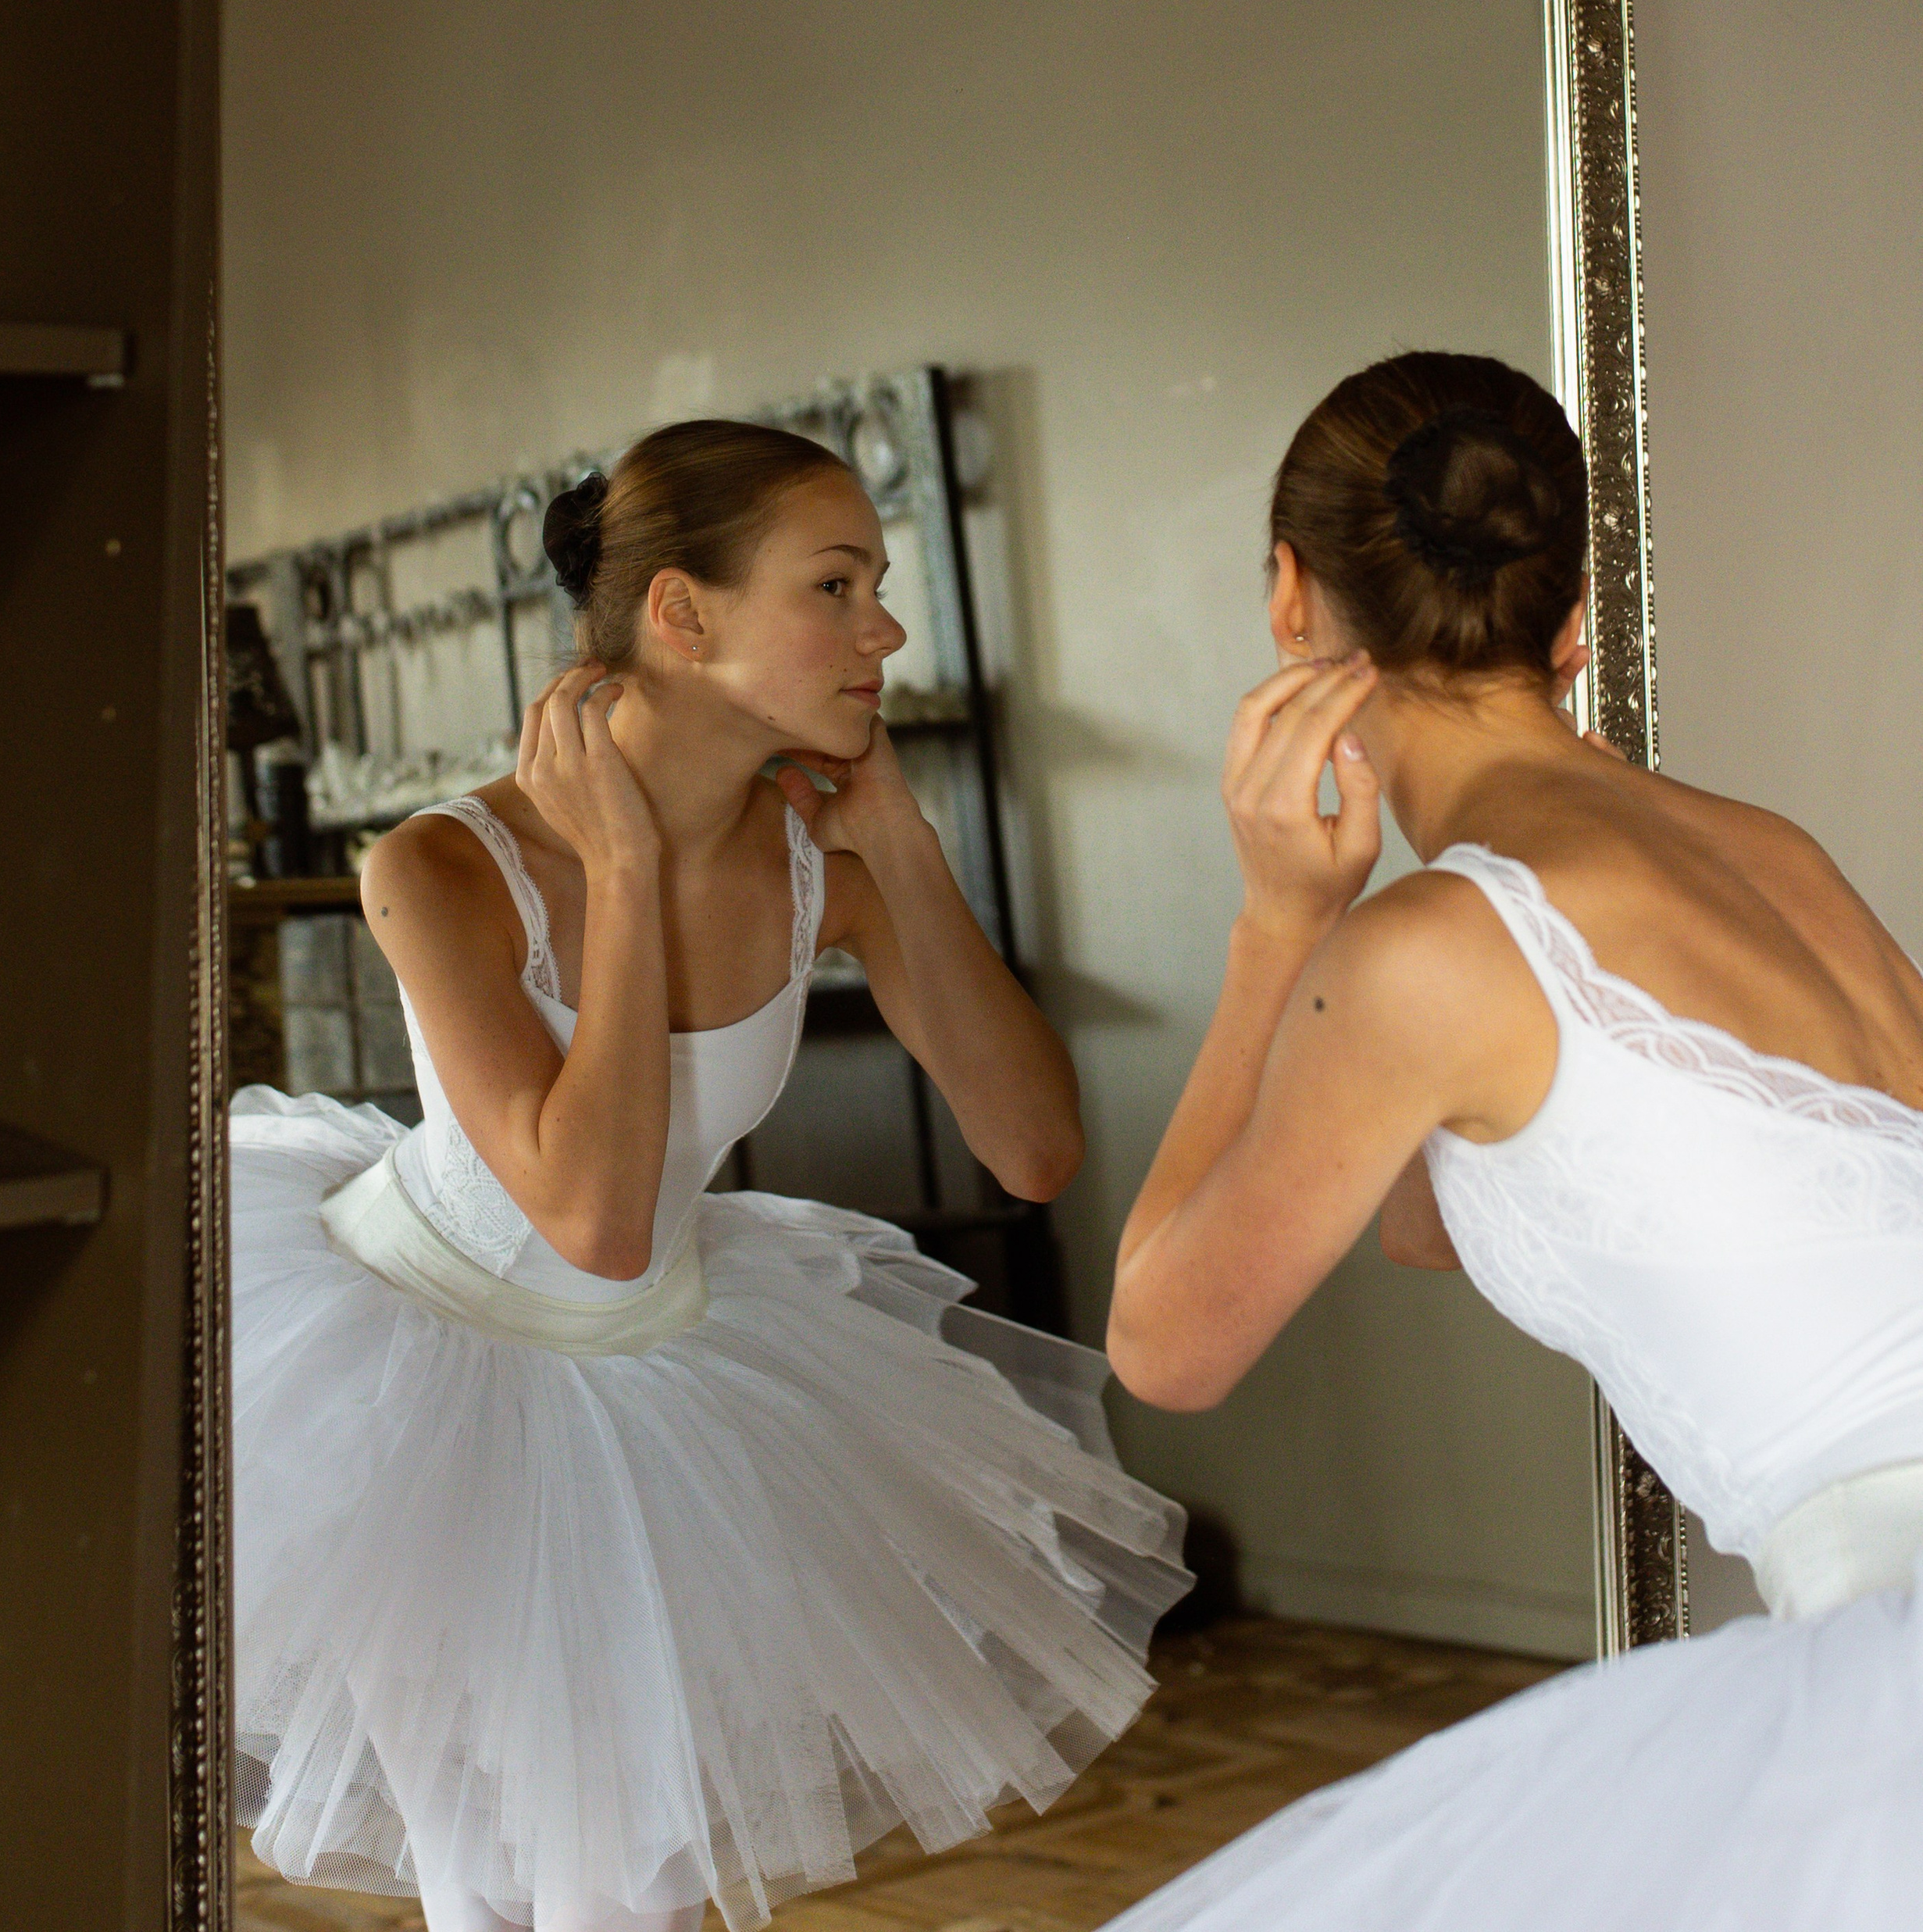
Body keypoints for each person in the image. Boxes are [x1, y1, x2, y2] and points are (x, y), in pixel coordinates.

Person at [230, 419, 1189, 1932]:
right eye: (834, 584)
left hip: (658, 1376)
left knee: (631, 1890)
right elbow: (592, 1217)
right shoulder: (439, 866)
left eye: (875, 584)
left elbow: (1032, 1149)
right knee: (532, 1888)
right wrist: (618, 875)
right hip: (404, 1392)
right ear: (680, 616)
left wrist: (902, 850)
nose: (881, 627)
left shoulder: (825, 874)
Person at [1103, 350, 1923, 1930]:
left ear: (1289, 598)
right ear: (1572, 614)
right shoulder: (1775, 855)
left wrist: (1281, 923)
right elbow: (1440, 1211)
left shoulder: (1424, 953)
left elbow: (1163, 1345)